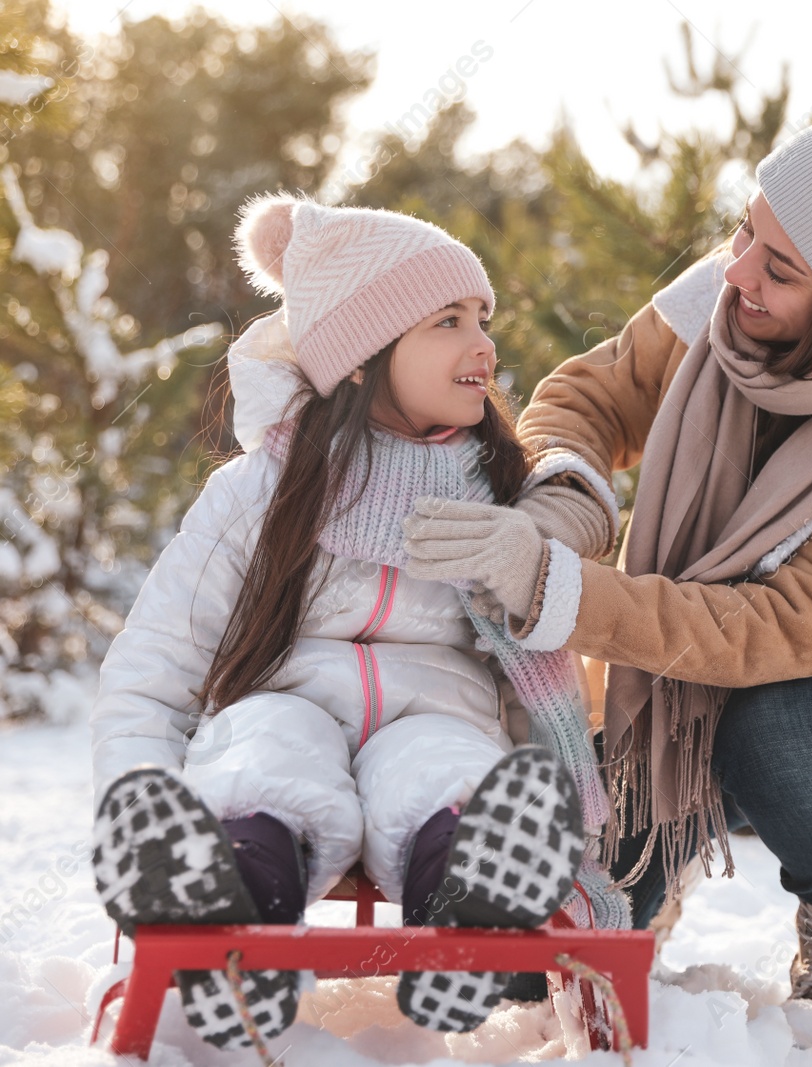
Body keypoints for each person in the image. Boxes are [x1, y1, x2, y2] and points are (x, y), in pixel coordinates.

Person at [401, 112, 812, 1025]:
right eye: (746, 232)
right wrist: (565, 494)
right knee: (541, 983)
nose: (738, 272)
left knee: (779, 718)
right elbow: (587, 395)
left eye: (780, 267)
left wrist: (559, 591)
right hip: (655, 693)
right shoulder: (720, 312)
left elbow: (785, 628)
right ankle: (653, 854)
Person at [87, 195, 623, 1050]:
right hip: (284, 699)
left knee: (448, 769)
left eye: (483, 317)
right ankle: (225, 902)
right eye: (447, 320)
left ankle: (472, 904)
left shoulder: (491, 493)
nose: (482, 343)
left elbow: (528, 668)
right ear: (367, 351)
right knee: (265, 753)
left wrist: (556, 811)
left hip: (435, 713)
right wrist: (136, 789)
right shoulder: (263, 490)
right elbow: (156, 661)